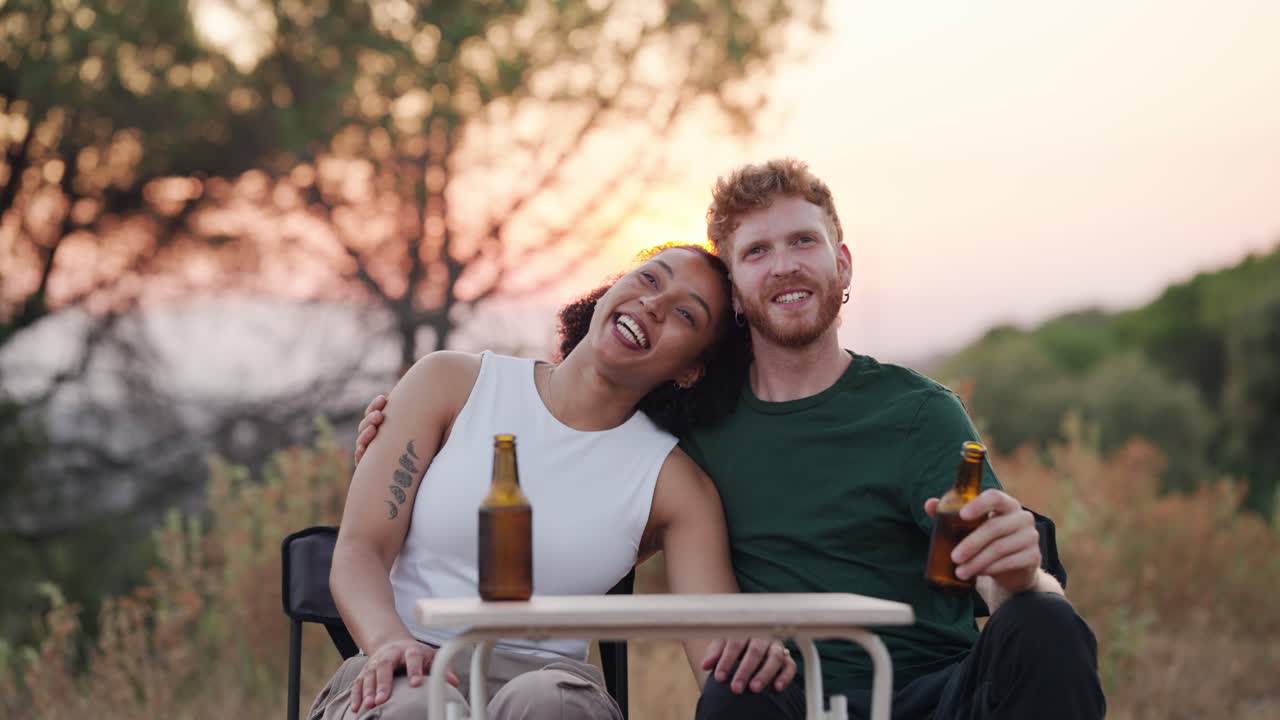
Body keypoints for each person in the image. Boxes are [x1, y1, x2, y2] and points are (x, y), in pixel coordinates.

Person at [358, 160, 1107, 719]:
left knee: (1047, 620)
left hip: (930, 693)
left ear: (841, 263)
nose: (784, 264)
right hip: (786, 697)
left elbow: (991, 569)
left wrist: (1019, 575)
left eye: (804, 241)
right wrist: (419, 448)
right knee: (735, 686)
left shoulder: (920, 414)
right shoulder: (688, 429)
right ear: (740, 299)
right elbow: (578, 462)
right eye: (756, 252)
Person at [311, 244, 797, 720]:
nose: (654, 304)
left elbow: (718, 652)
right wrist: (388, 643)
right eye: (649, 279)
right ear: (609, 292)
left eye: (685, 314)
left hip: (549, 688)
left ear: (691, 370)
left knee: (550, 703)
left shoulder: (675, 486)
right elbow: (359, 552)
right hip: (405, 668)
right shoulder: (449, 382)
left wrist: (752, 655)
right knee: (418, 705)